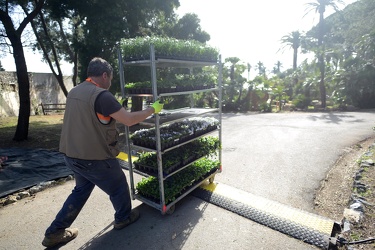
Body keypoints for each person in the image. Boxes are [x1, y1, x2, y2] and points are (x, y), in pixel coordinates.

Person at [42, 57, 163, 248]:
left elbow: (91, 116)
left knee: (80, 191)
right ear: (105, 75)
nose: (110, 83)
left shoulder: (75, 91)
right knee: (118, 184)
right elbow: (129, 120)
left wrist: (116, 106)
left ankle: (54, 232)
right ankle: (123, 217)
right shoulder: (102, 96)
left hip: (71, 155)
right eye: (111, 79)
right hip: (93, 157)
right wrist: (152, 109)